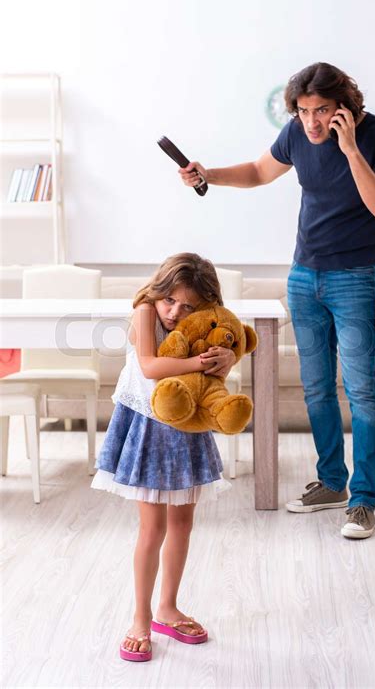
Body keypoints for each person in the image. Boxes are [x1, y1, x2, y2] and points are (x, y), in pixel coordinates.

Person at [179, 62, 375, 540]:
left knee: (362, 390)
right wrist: (208, 175)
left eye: (322, 111)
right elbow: (260, 171)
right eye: (303, 112)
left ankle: (364, 501)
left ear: (345, 107)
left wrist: (348, 150)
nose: (311, 123)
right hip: (304, 278)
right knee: (317, 388)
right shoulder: (297, 134)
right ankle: (331, 483)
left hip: (355, 279)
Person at [91, 253, 236, 661]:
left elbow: (224, 349)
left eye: (188, 306)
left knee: (183, 523)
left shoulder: (204, 320)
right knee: (151, 529)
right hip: (147, 424)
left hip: (186, 425)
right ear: (158, 293)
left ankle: (167, 608)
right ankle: (140, 617)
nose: (175, 312)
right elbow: (151, 365)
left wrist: (227, 357)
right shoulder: (143, 311)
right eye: (170, 300)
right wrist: (199, 362)